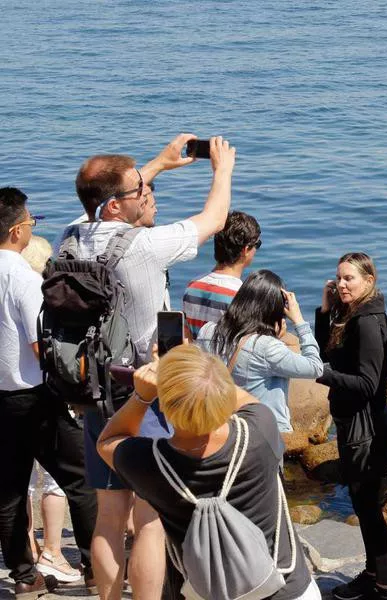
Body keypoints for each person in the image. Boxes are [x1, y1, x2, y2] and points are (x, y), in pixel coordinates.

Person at [58, 134, 236, 600]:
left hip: (96, 386)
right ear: (116, 207)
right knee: (150, 517)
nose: (147, 194)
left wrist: (155, 165)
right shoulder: (145, 247)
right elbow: (214, 219)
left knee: (109, 514)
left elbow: (101, 200)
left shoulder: (70, 238)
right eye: (139, 190)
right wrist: (222, 168)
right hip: (147, 390)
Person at [95, 344, 319, 600]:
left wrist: (143, 396)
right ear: (222, 396)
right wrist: (201, 371)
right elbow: (242, 400)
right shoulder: (259, 431)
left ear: (165, 406)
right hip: (286, 590)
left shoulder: (150, 463)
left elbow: (108, 440)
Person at [0, 187, 97, 598]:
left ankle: (24, 576)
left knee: (7, 492)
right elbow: (44, 349)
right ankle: (97, 565)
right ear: (20, 229)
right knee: (81, 481)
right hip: (33, 397)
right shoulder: (22, 278)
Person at [314, 253, 387, 600]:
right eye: (339, 278)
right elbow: (326, 351)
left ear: (369, 280)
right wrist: (324, 308)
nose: (342, 284)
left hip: (367, 427)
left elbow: (368, 383)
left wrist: (319, 375)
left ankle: (386, 587)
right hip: (355, 422)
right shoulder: (353, 314)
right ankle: (372, 573)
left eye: (350, 278)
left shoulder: (367, 322)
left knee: (368, 506)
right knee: (363, 504)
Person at [20, 235, 82, 584]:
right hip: (43, 396)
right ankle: (54, 552)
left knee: (23, 481)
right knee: (56, 481)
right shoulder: (40, 302)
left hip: (11, 399)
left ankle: (28, 547)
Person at [196, 269, 323, 432]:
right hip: (262, 432)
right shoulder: (267, 347)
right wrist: (299, 321)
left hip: (222, 427)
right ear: (273, 309)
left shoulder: (207, 332)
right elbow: (315, 367)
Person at [182, 210, 261, 338]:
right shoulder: (241, 295)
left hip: (196, 357)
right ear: (246, 250)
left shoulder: (192, 287)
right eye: (257, 244)